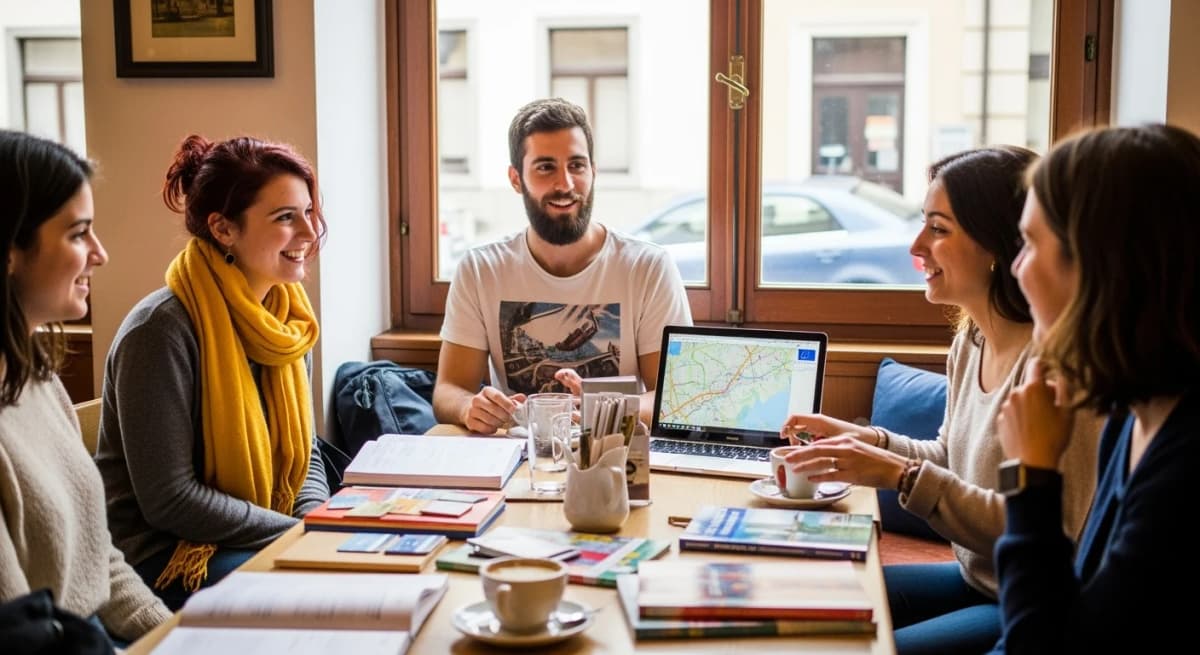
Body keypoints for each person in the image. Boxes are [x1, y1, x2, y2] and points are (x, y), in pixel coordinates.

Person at [776, 146, 1100, 654]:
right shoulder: (972, 339)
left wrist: (896, 475)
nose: (916, 245)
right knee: (802, 598)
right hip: (976, 575)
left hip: (1023, 601)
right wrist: (868, 441)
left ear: (1000, 243)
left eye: (939, 229)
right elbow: (950, 455)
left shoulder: (1059, 370)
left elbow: (1049, 531)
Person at [95, 134, 330, 610]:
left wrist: (319, 524)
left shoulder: (287, 323)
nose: (309, 232)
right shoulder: (159, 332)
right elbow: (171, 500)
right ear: (223, 229)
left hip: (262, 532)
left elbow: (303, 457)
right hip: (166, 555)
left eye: (309, 211)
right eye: (286, 217)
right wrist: (302, 533)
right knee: (322, 597)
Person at [992, 124, 1200, 652]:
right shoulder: (1132, 414)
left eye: (1031, 244)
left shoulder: (1188, 467)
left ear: (1100, 270)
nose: (1016, 269)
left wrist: (1031, 477)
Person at [0, 130, 170, 642]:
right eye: (78, 234)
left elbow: (101, 562)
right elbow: (18, 632)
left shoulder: (38, 377)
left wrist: (172, 636)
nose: (100, 254)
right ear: (9, 250)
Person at [433, 98, 692, 433]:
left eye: (577, 166)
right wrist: (469, 407)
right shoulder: (481, 269)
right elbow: (447, 390)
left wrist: (603, 408)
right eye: (545, 167)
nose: (566, 184)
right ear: (516, 179)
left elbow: (672, 399)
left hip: (615, 454)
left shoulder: (648, 267)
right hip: (520, 456)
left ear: (593, 172)